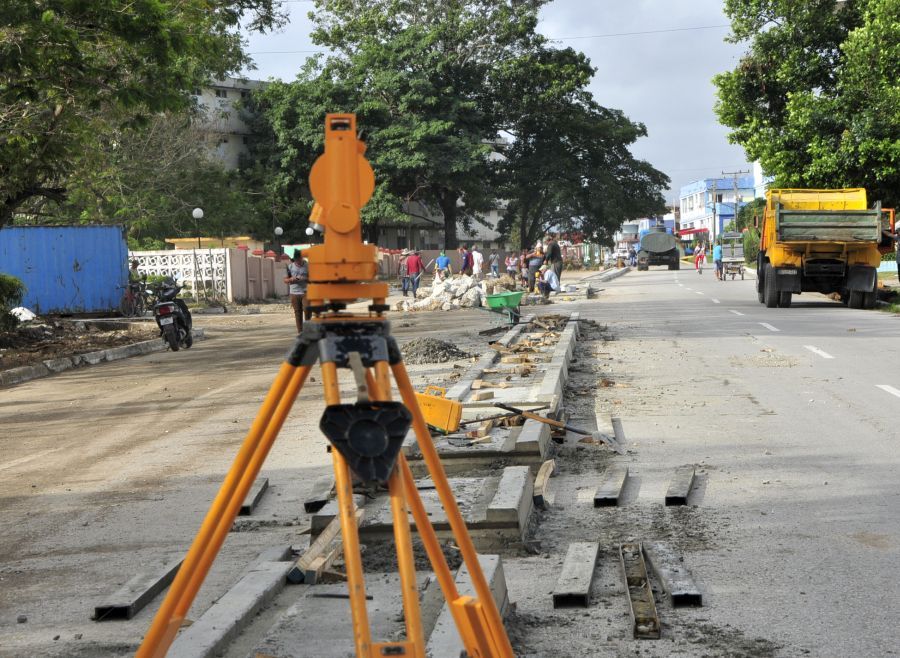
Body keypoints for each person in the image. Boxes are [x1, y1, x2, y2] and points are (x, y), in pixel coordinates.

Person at [284, 249, 308, 333]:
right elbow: (285, 280)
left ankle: (308, 328)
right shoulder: (290, 267)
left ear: (302, 257)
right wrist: (292, 279)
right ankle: (300, 332)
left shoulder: (308, 266)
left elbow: (314, 278)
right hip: (294, 292)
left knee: (307, 309)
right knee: (298, 312)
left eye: (299, 258)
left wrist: (304, 278)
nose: (298, 261)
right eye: (296, 259)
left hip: (306, 292)